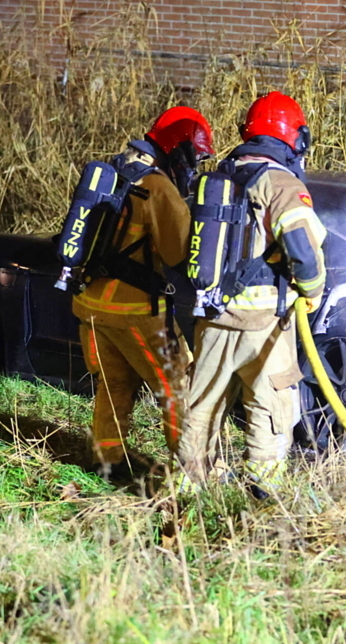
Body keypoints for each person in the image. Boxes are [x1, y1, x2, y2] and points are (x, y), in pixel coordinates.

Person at [177, 91, 326, 496]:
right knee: (271, 406)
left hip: (211, 317)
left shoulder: (216, 180)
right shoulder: (282, 183)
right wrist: (311, 291)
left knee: (202, 406)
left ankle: (192, 489)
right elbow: (302, 249)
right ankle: (263, 495)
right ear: (294, 138)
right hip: (265, 326)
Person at [73, 106, 214, 480]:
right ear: (179, 150)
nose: (195, 166)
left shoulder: (114, 170)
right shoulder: (159, 188)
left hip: (89, 305)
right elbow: (177, 253)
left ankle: (107, 461)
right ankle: (191, 470)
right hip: (135, 309)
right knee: (177, 386)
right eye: (195, 157)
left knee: (113, 383)